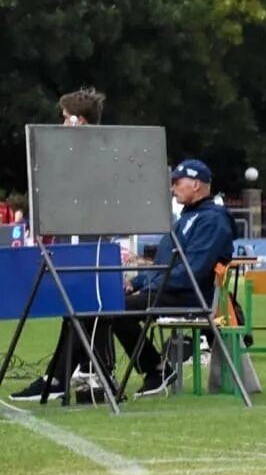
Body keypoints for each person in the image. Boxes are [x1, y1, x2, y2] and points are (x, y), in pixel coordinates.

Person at [10, 159, 233, 402]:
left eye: (177, 182)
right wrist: (134, 284)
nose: (172, 188)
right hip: (169, 288)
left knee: (109, 309)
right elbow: (166, 266)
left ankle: (67, 379)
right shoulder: (188, 218)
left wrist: (147, 286)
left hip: (189, 294)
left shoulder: (212, 220)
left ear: (196, 184)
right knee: (85, 306)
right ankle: (64, 379)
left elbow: (192, 271)